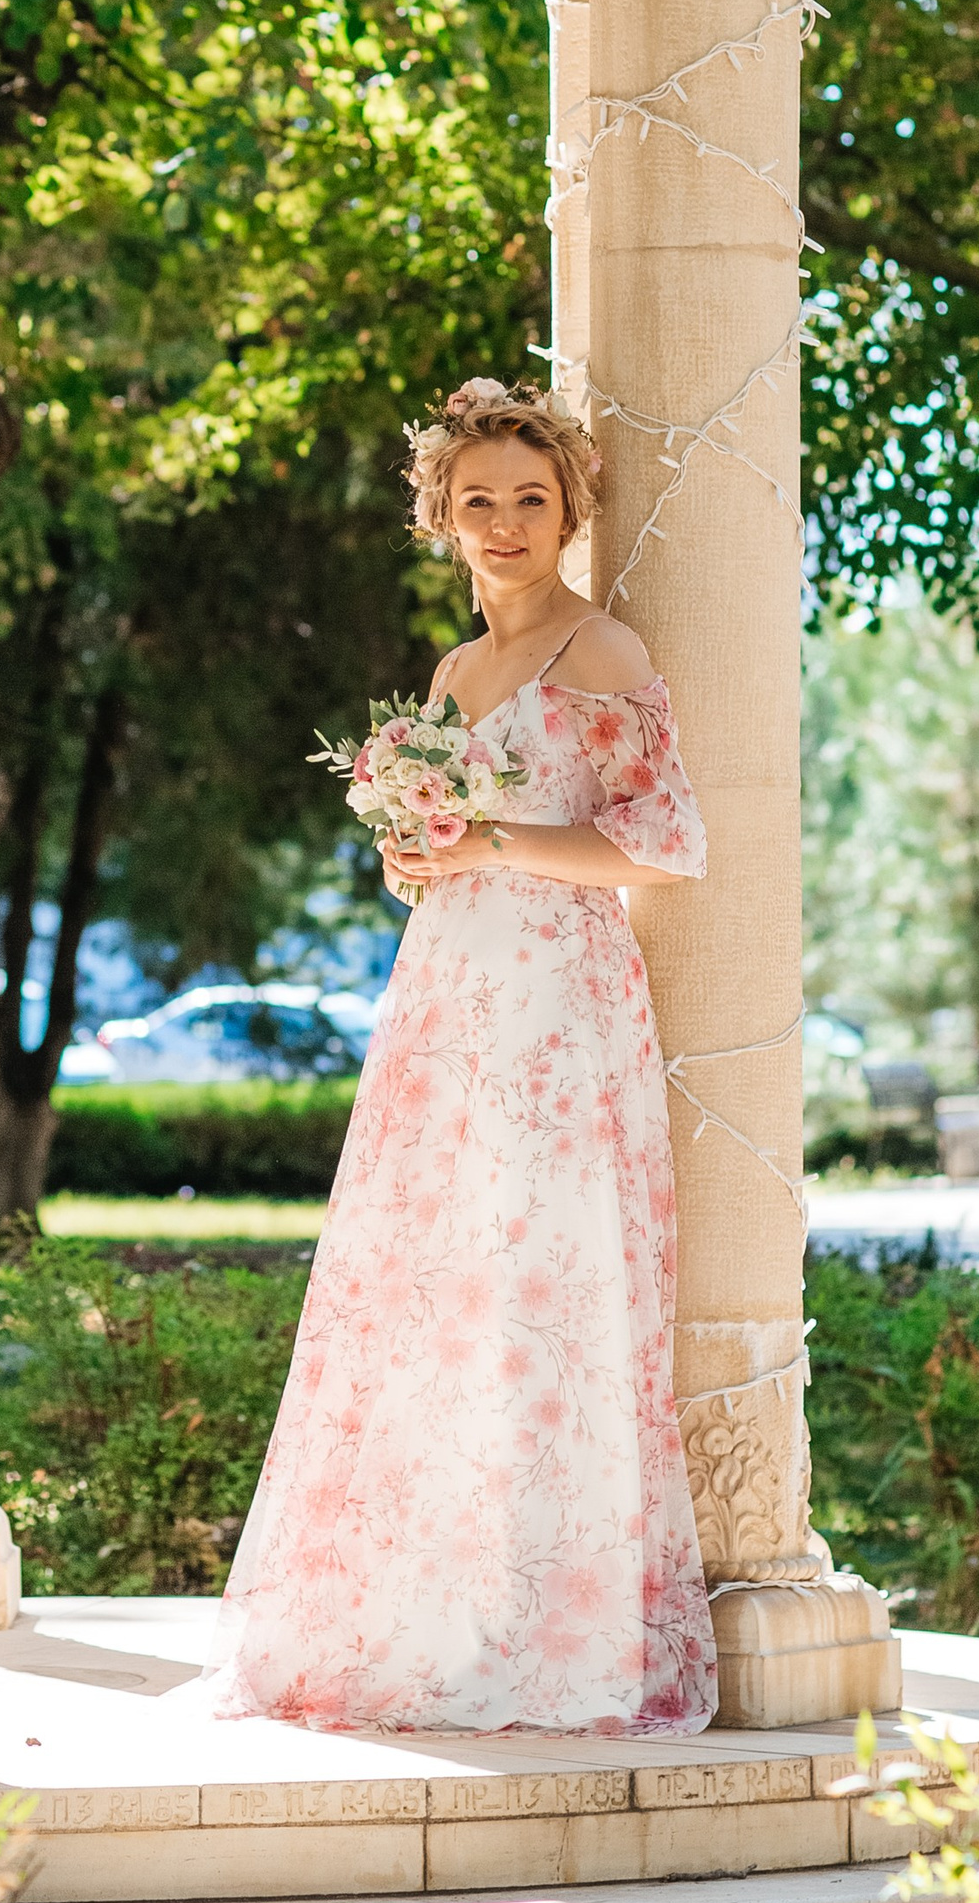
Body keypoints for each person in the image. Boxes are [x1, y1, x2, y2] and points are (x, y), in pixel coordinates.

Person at [209, 375, 716, 1735]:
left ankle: (557, 1628)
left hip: (557, 1010)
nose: (504, 523)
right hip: (448, 998)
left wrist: (486, 840)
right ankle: (432, 1608)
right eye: (477, 499)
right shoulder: (452, 673)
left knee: (541, 1288)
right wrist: (419, 856)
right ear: (439, 514)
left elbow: (668, 844)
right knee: (437, 1283)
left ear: (570, 511)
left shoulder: (599, 650)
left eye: (530, 499)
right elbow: (454, 851)